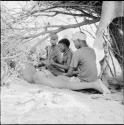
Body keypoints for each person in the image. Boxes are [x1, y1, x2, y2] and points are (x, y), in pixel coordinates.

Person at [22, 32, 111, 95]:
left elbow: (69, 71)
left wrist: (59, 75)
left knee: (56, 82)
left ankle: (93, 85)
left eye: (75, 42)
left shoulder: (76, 53)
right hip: (91, 77)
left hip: (82, 79)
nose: (74, 44)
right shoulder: (91, 50)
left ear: (79, 40)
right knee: (53, 77)